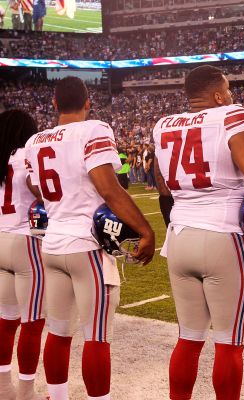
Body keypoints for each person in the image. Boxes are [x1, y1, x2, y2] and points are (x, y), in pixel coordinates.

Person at [153, 65, 244, 400]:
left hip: (180, 237)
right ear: (216, 95)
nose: (231, 96)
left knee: (188, 338)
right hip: (223, 236)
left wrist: (182, 226)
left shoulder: (163, 126)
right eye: (227, 91)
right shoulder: (230, 115)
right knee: (229, 344)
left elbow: (164, 193)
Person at [24, 76, 155, 400]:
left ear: (54, 104)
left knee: (57, 333)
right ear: (87, 103)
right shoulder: (93, 129)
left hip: (52, 245)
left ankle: (58, 396)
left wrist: (62, 200)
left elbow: (34, 188)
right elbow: (109, 188)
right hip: (86, 247)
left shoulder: (34, 142)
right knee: (96, 337)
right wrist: (145, 230)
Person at [0, 110, 46, 400]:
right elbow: (44, 191)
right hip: (25, 241)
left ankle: (4, 388)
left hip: (0, 240)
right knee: (32, 322)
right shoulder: (27, 154)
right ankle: (26, 392)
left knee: (5, 320)